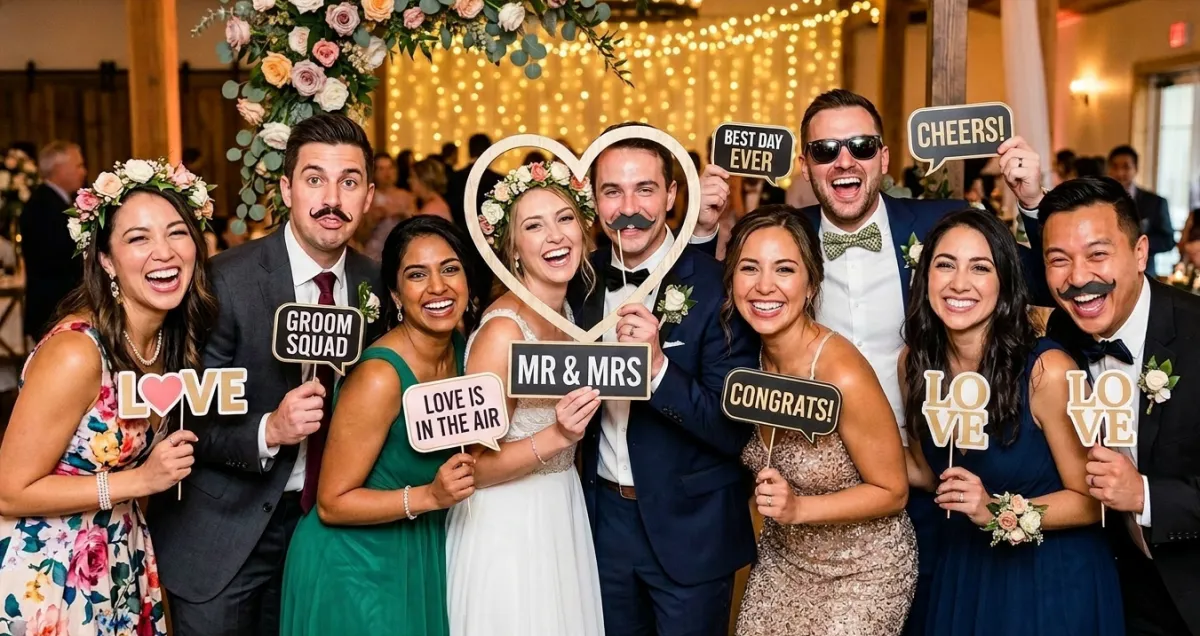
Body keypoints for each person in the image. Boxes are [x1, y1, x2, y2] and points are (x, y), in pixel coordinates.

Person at [699, 88, 1050, 636]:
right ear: (806, 166)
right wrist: (702, 229)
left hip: (935, 470)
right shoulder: (782, 243)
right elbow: (713, 301)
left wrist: (1032, 201)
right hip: (821, 484)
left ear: (884, 158)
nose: (844, 160)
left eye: (860, 146)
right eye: (825, 150)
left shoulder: (938, 224)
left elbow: (1039, 279)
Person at [149, 113, 385, 636]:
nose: (332, 198)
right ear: (287, 188)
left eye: (349, 182)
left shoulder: (374, 284)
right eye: (314, 179)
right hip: (224, 534)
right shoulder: (224, 281)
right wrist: (268, 430)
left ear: (367, 196)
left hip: (323, 531)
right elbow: (180, 411)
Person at [0, 159, 218, 633]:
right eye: (138, 238)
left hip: (119, 555)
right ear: (105, 259)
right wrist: (140, 481)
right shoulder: (78, 352)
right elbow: (7, 490)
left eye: (177, 233)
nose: (164, 252)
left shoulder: (168, 343)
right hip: (48, 572)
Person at [900, 208, 1122, 635]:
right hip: (964, 567)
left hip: (1048, 581)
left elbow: (1092, 501)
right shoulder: (913, 364)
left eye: (980, 267)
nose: (959, 283)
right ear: (925, 275)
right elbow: (929, 473)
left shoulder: (1048, 371)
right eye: (945, 264)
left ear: (1004, 284)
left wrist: (997, 511)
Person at [572, 123, 757, 636]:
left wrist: (657, 369)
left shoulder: (721, 286)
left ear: (673, 194)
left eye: (645, 189)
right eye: (612, 191)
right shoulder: (576, 283)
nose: (628, 207)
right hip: (600, 523)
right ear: (593, 198)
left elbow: (733, 429)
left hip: (691, 528)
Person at [280, 215, 479, 635]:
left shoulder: (463, 350)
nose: (438, 287)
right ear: (395, 293)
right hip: (353, 565)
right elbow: (332, 503)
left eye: (450, 268)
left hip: (416, 550)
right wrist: (429, 495)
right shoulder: (380, 377)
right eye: (417, 275)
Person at [725, 206, 915, 635]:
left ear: (811, 283)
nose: (764, 286)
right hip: (783, 563)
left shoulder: (841, 372)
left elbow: (893, 491)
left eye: (785, 269)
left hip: (863, 572)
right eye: (749, 268)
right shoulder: (742, 361)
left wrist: (799, 508)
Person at [1023, 177, 1200, 635]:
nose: (1079, 278)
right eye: (1058, 260)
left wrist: (1145, 496)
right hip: (1109, 588)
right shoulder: (1059, 337)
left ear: (1140, 253)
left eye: (1098, 254)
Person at [446, 161, 605, 636]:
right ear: (513, 249)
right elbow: (468, 467)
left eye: (564, 218)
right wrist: (557, 436)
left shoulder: (572, 314)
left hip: (560, 509)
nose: (555, 236)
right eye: (534, 226)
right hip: (507, 526)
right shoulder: (502, 332)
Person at [21, 140, 87, 340]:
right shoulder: (43, 206)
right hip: (52, 309)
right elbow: (57, 259)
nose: (83, 172)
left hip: (57, 307)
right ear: (60, 169)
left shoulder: (53, 201)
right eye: (78, 165)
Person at [1108, 146, 1173, 277]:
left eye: (1126, 167)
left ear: (1135, 169)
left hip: (1145, 274)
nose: (1120, 173)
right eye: (1115, 167)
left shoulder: (1155, 202)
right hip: (1109, 273)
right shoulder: (1101, 201)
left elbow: (1168, 241)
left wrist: (1135, 244)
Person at [362, 152, 416, 261]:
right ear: (374, 173)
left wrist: (403, 214)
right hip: (374, 255)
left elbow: (417, 227)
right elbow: (361, 236)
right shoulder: (368, 197)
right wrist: (375, 218)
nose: (387, 173)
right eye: (381, 169)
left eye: (390, 168)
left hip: (400, 254)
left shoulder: (406, 196)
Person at [446, 134, 504, 227]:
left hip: (460, 235)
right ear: (489, 151)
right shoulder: (497, 179)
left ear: (469, 151)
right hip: (489, 236)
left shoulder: (455, 177)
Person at [410, 158, 453, 223]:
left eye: (412, 177)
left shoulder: (432, 210)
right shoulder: (434, 202)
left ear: (422, 180)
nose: (409, 181)